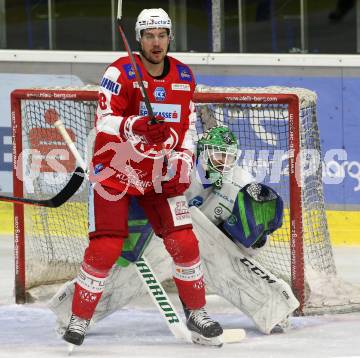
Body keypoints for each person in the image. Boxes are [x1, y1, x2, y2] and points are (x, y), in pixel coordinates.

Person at [62, 8, 223, 347]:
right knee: (106, 248)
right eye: (149, 36)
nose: (156, 42)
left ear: (169, 37)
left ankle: (196, 313)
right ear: (139, 38)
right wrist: (132, 124)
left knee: (185, 242)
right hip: (116, 170)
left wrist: (184, 155)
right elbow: (104, 120)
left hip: (159, 174)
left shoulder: (183, 74)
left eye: (162, 34)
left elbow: (189, 124)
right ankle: (79, 318)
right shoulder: (120, 72)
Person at [52, 125, 299, 342]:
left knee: (209, 249)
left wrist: (253, 233)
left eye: (228, 156)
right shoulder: (180, 166)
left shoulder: (241, 185)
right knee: (131, 269)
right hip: (165, 236)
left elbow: (250, 248)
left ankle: (275, 307)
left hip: (209, 249)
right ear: (202, 153)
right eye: (217, 154)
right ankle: (70, 312)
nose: (223, 162)